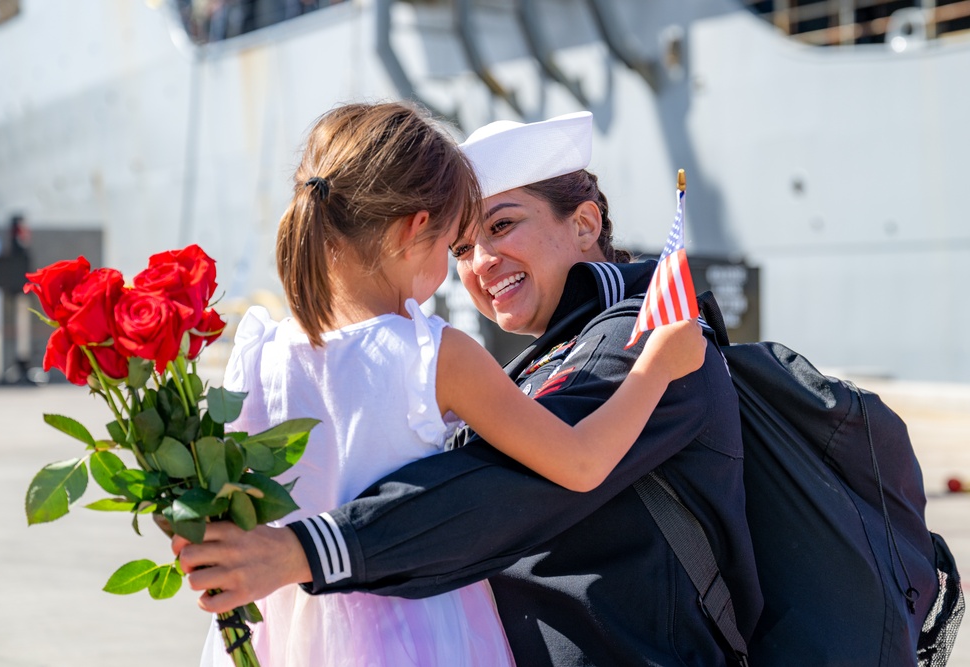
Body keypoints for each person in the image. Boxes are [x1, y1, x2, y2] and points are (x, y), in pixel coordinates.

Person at [179, 103, 707, 666]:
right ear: (417, 230)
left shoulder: (258, 350)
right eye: (458, 244)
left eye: (501, 226)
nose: (477, 261)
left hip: (287, 632)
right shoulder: (436, 354)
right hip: (417, 629)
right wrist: (657, 366)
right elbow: (577, 463)